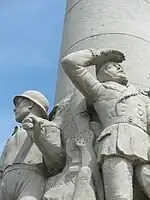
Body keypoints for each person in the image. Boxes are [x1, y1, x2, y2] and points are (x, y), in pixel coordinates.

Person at [61, 49, 150, 200]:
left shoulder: (142, 97)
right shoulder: (100, 90)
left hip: (143, 145)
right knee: (120, 195)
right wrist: (98, 55)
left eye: (119, 66)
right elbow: (70, 63)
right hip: (114, 144)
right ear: (100, 75)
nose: (119, 68)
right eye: (110, 66)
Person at [0, 90, 65, 200]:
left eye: (19, 103)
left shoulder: (49, 127)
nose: (14, 109)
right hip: (5, 183)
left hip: (31, 179)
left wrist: (38, 137)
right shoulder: (13, 134)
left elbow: (57, 162)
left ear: (30, 104)